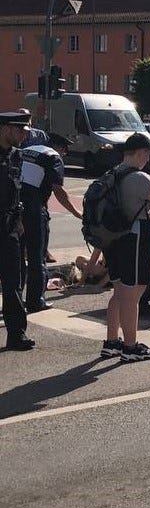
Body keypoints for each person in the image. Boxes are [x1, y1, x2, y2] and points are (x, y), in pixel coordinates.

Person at [101, 132, 150, 362]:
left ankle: (112, 342)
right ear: (142, 153)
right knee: (134, 294)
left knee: (119, 291)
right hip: (136, 237)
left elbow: (138, 195)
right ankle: (130, 347)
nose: (149, 158)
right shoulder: (140, 178)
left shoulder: (114, 173)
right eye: (148, 153)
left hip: (115, 238)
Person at [20, 138, 82, 312]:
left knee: (17, 256)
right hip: (34, 209)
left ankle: (16, 299)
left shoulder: (27, 150)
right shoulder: (53, 157)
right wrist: (76, 212)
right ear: (59, 147)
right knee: (36, 257)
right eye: (64, 150)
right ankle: (35, 301)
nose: (64, 154)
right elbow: (58, 190)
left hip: (14, 206)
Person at [0, 110, 34, 351]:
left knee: (13, 281)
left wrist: (20, 220)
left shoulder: (16, 156)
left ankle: (16, 333)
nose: (24, 135)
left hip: (9, 227)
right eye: (20, 130)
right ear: (6, 129)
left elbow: (17, 190)